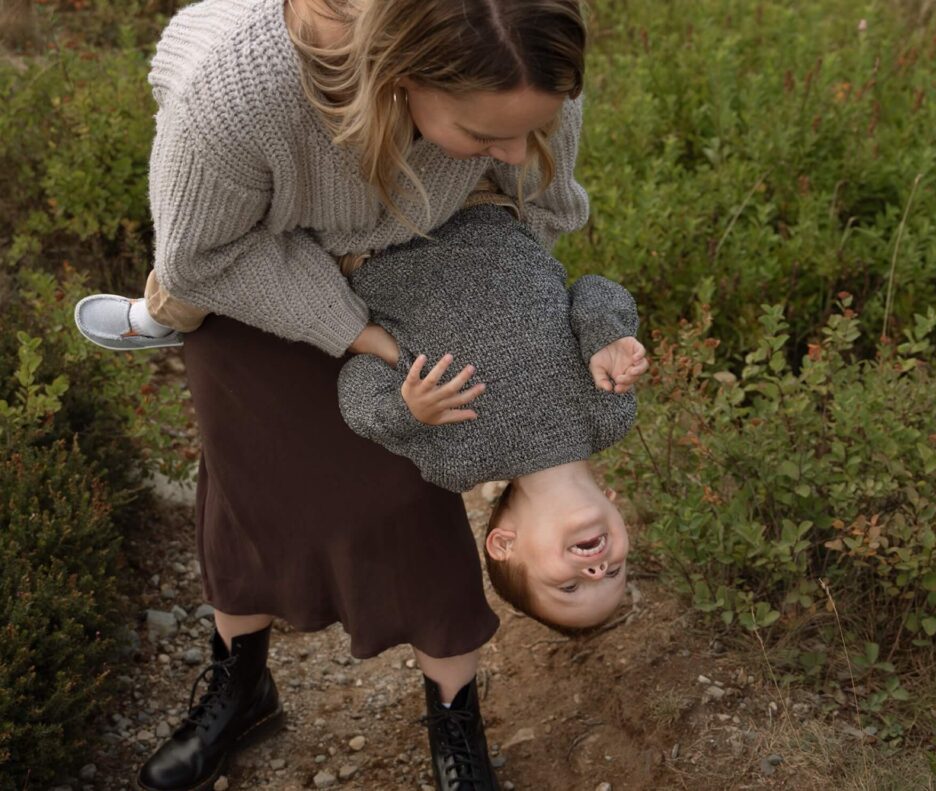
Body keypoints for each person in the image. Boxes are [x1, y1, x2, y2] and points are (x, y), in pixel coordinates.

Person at [81, 0, 591, 789]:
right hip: (252, 268)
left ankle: (455, 718)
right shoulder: (235, 97)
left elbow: (536, 209)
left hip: (423, 251)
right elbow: (202, 258)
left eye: (531, 128)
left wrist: (504, 315)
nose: (518, 150)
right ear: (402, 77)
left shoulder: (525, 51)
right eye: (488, 136)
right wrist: (354, 330)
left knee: (407, 494)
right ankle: (241, 684)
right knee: (250, 481)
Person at [334, 199, 646, 631]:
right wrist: (607, 333)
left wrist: (408, 410)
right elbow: (593, 289)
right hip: (479, 202)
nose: (595, 571)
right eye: (615, 572)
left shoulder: (460, 462)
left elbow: (358, 386)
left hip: (375, 235)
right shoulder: (609, 410)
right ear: (617, 509)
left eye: (568, 588)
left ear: (504, 544)